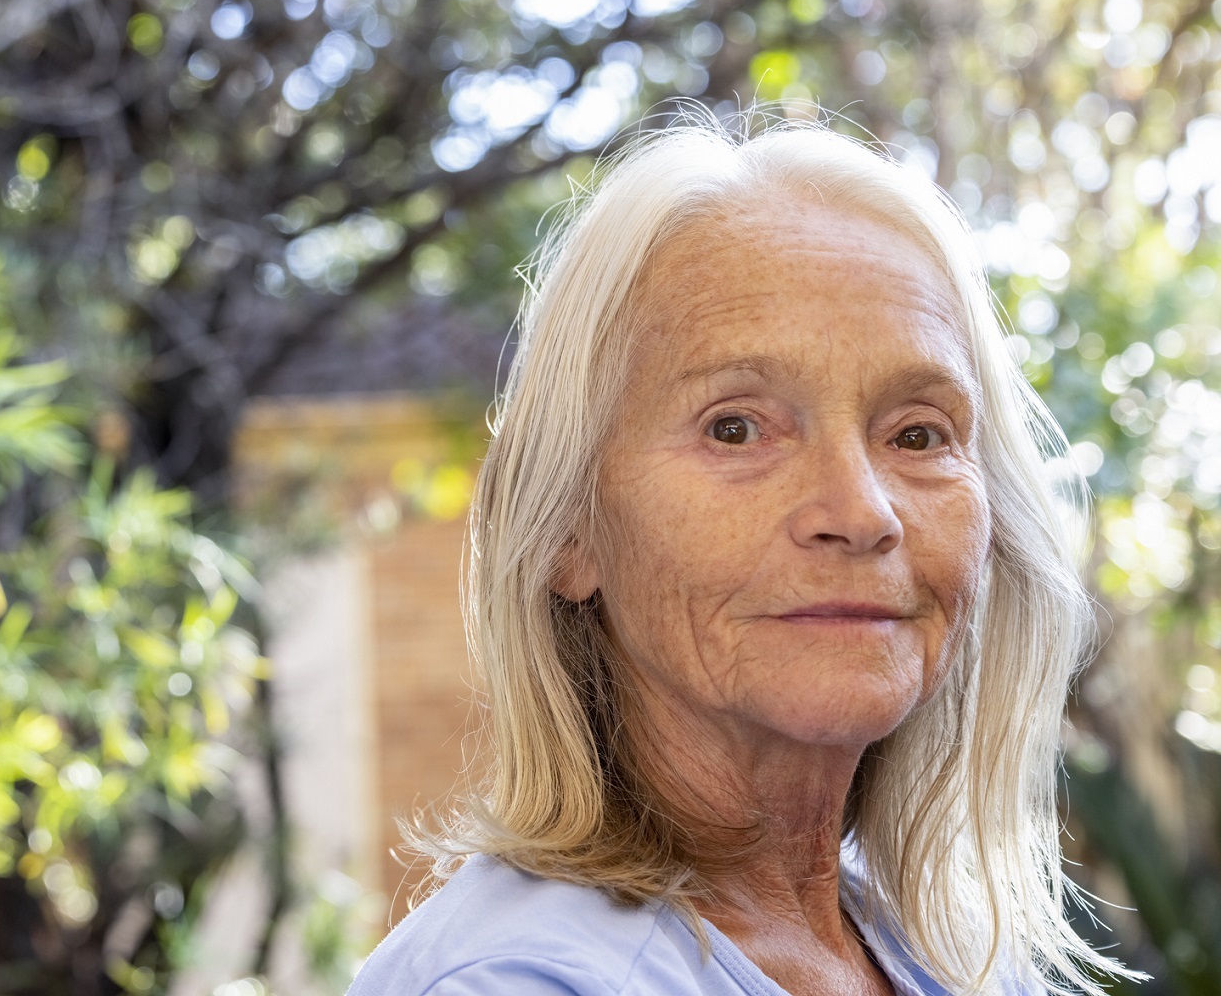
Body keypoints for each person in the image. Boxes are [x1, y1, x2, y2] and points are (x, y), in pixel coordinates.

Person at [347, 118, 1129, 996]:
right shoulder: (511, 982)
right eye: (736, 427)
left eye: (917, 433)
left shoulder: (949, 956)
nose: (861, 512)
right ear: (569, 528)